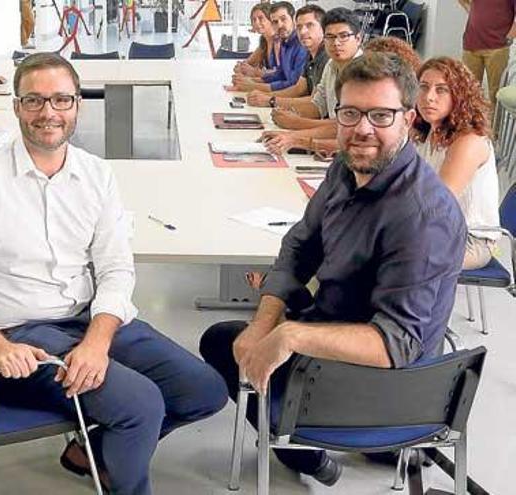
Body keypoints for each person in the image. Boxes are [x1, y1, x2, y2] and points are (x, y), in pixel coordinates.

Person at [0, 52, 226, 495]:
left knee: (205, 391)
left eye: (62, 100)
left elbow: (116, 266)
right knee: (141, 405)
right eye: (35, 101)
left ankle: (94, 449)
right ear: (17, 106)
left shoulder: (97, 175)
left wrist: (98, 342)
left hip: (86, 318)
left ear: (79, 104)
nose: (49, 114)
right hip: (21, 334)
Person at [200, 52, 466, 487]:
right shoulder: (347, 168)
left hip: (379, 385)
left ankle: (311, 453)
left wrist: (288, 334)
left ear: (408, 119)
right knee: (235, 339)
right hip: (332, 338)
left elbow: (393, 345)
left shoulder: (423, 215)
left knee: (222, 342)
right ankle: (313, 458)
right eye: (350, 113)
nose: (363, 128)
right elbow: (300, 242)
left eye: (381, 114)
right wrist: (265, 319)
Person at [414, 57, 500, 269]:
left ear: (459, 96)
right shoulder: (426, 133)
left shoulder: (468, 141)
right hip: (436, 229)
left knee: (385, 255)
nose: (429, 97)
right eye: (423, 87)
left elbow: (435, 204)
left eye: (441, 90)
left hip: (470, 240)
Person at [260, 7, 363, 154]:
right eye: (330, 37)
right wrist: (287, 114)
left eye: (344, 36)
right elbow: (317, 105)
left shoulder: (364, 73)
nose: (336, 43)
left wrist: (295, 131)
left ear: (358, 39)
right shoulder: (331, 64)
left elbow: (344, 127)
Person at [246, 5, 327, 105]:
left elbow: (312, 101)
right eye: (299, 27)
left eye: (309, 25)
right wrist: (258, 88)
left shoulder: (324, 57)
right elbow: (296, 86)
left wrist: (269, 98)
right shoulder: (291, 46)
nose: (302, 31)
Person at [232, 2, 308, 93]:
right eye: (275, 22)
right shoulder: (283, 42)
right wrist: (250, 82)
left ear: (294, 20)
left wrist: (255, 85)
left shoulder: (299, 44)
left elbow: (294, 84)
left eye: (283, 19)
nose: (279, 25)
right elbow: (280, 75)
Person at [458, 0, 516, 118]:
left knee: (495, 94)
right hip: (471, 43)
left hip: (497, 47)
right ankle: (469, 129)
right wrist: (471, 11)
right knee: (467, 91)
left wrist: (509, 38)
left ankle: (494, 133)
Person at [234, 3, 279, 79]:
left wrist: (255, 72)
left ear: (271, 19)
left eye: (261, 18)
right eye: (254, 20)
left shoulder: (278, 41)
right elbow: (247, 63)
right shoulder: (264, 41)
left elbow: (282, 73)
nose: (256, 23)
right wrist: (242, 67)